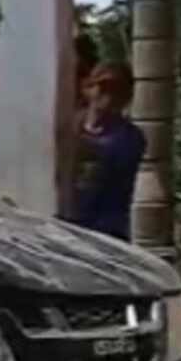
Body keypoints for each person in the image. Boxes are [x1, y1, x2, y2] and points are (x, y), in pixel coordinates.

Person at [66, 62, 146, 241]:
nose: (108, 96)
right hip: (68, 226)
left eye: (117, 91)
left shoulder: (130, 136)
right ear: (88, 88)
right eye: (102, 88)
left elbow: (114, 157)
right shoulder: (69, 125)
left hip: (107, 231)